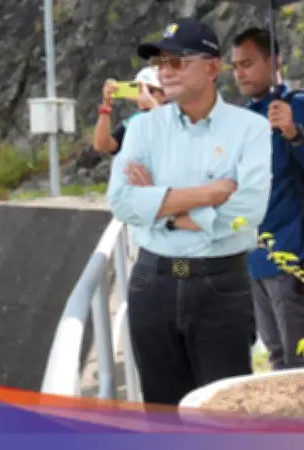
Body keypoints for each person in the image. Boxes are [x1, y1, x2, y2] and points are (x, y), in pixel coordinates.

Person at [106, 18, 272, 405]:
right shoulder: (143, 128)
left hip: (220, 284)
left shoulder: (250, 129)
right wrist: (206, 194)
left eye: (177, 61)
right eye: (161, 62)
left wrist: (160, 208)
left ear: (213, 68)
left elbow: (248, 211)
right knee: (163, 412)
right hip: (154, 280)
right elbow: (122, 201)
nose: (164, 70)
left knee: (223, 413)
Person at [230, 27, 304, 370]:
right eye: (235, 66)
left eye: (247, 63)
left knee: (301, 362)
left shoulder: (297, 105)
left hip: (292, 255)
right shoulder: (246, 116)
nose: (240, 73)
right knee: (276, 358)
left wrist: (294, 133)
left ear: (273, 62)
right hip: (256, 256)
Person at [93, 66, 166, 155]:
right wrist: (106, 104)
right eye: (139, 90)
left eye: (150, 91)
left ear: (164, 94)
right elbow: (102, 145)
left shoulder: (178, 115)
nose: (144, 95)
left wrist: (151, 105)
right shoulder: (133, 122)